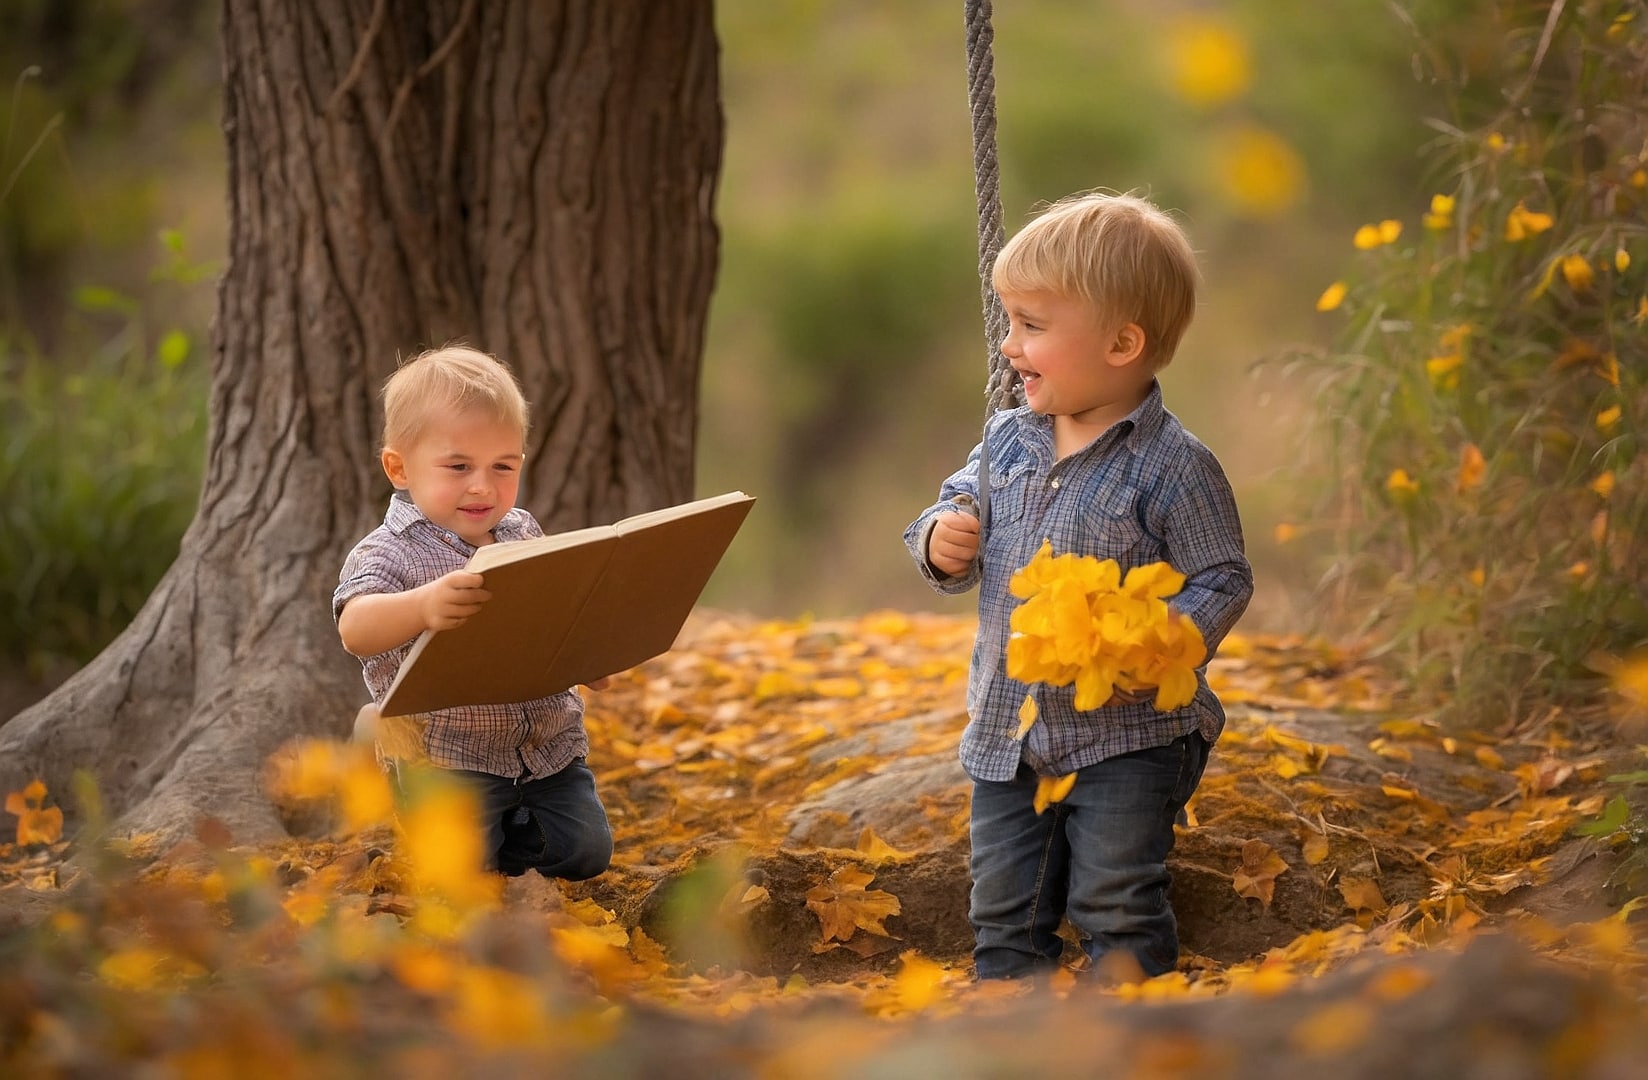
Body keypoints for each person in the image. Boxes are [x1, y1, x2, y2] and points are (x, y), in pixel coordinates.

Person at [904, 191, 1253, 981]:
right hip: (1008, 734)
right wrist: (941, 536)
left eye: (1032, 326)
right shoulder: (1007, 439)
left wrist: (1165, 641)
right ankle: (1013, 1037)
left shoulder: (1173, 467)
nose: (1007, 345)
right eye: (1009, 320)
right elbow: (954, 503)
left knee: (1116, 901)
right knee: (1002, 911)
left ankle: (1127, 1036)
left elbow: (1224, 576)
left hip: (1129, 736)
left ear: (1123, 342)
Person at [334, 344, 612, 881]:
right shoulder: (389, 551)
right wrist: (422, 605)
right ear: (399, 468)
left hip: (545, 747)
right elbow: (355, 628)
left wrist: (583, 652)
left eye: (502, 466)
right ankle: (387, 751)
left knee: (583, 855)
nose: (482, 485)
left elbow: (550, 614)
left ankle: (508, 829)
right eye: (459, 466)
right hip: (447, 753)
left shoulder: (523, 531)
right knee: (457, 874)